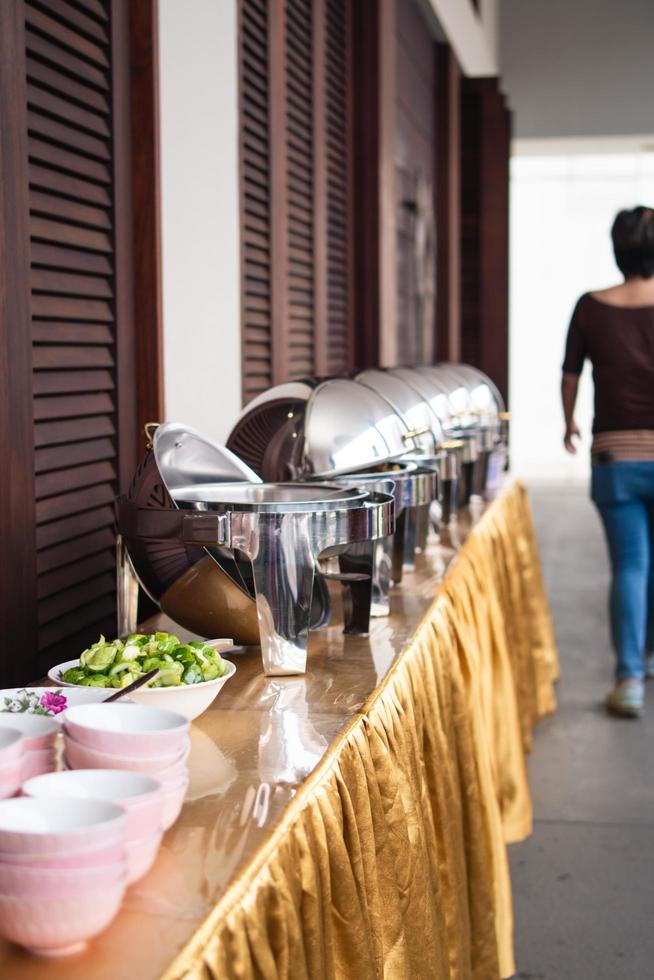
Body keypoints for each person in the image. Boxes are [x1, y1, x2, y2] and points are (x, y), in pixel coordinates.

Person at [562, 205, 654, 718]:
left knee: (631, 565)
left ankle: (629, 678)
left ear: (618, 250)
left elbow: (571, 373)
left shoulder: (591, 307)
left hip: (615, 455)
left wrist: (569, 421)